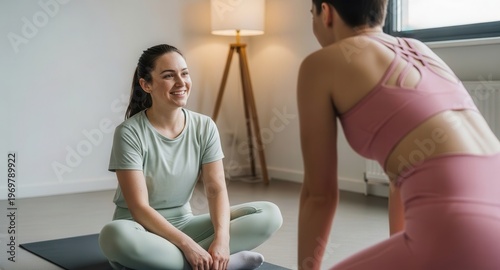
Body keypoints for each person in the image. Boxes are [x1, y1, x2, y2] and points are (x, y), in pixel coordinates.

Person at [297, 1, 500, 269]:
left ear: (326, 12)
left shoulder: (320, 64)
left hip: (459, 230)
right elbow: (401, 178)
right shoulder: (418, 49)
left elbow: (319, 195)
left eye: (312, 15)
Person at [98, 44, 282, 270]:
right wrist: (188, 246)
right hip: (139, 229)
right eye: (168, 76)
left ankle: (175, 264)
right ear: (146, 85)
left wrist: (222, 242)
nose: (180, 82)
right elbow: (139, 208)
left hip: (185, 223)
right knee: (113, 235)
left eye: (184, 73)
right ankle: (220, 265)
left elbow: (215, 190)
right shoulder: (129, 133)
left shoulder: (204, 126)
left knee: (270, 214)